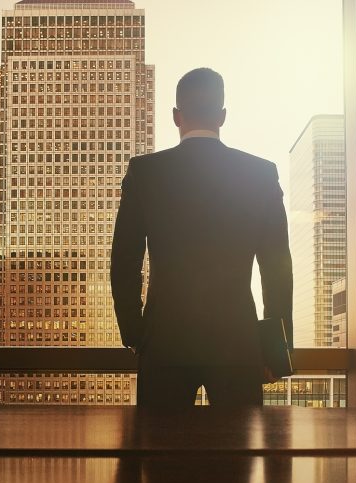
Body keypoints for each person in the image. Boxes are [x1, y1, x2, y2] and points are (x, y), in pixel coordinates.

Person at [111, 67, 293, 407]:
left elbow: (125, 261)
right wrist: (275, 350)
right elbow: (277, 269)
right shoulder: (259, 174)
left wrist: (134, 333)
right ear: (222, 116)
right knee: (237, 457)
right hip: (237, 343)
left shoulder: (145, 172)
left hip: (164, 341)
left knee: (159, 454)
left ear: (176, 116)